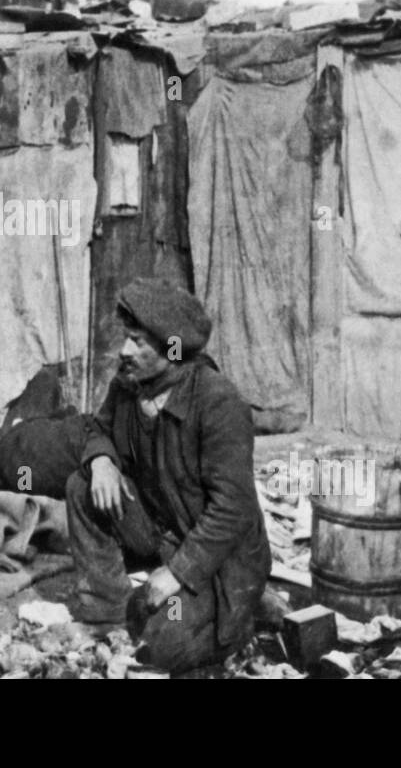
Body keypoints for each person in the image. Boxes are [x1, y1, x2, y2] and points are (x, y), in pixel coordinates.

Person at [66, 277, 271, 675]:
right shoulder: (128, 386)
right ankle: (106, 612)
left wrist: (177, 574)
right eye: (127, 338)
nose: (124, 351)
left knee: (160, 647)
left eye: (139, 341)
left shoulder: (218, 403)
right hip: (161, 533)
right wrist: (102, 461)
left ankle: (244, 615)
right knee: (82, 486)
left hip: (219, 560)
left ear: (173, 348)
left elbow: (234, 509)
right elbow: (97, 429)